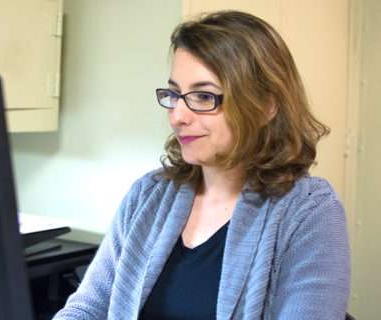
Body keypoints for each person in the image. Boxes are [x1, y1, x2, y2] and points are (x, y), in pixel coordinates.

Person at [53, 10, 350, 320]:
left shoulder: (310, 211)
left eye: (204, 96)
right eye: (175, 94)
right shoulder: (148, 195)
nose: (178, 115)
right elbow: (87, 308)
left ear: (266, 106)